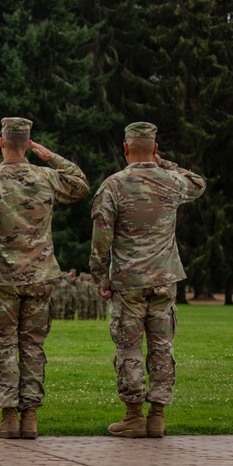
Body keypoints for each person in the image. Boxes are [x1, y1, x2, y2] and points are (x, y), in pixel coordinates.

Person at [0, 116, 89, 439]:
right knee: (33, 346)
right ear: (29, 144)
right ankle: (31, 418)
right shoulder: (47, 177)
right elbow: (80, 184)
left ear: (1, 141)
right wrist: (50, 156)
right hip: (40, 276)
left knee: (5, 345)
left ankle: (9, 417)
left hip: (4, 278)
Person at [90, 122, 206, 438]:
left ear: (125, 149)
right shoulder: (172, 182)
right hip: (164, 278)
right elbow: (198, 182)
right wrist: (164, 164)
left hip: (128, 281)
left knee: (128, 348)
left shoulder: (113, 186)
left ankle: (133, 416)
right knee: (162, 346)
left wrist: (100, 276)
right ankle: (157, 416)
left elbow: (101, 238)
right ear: (155, 150)